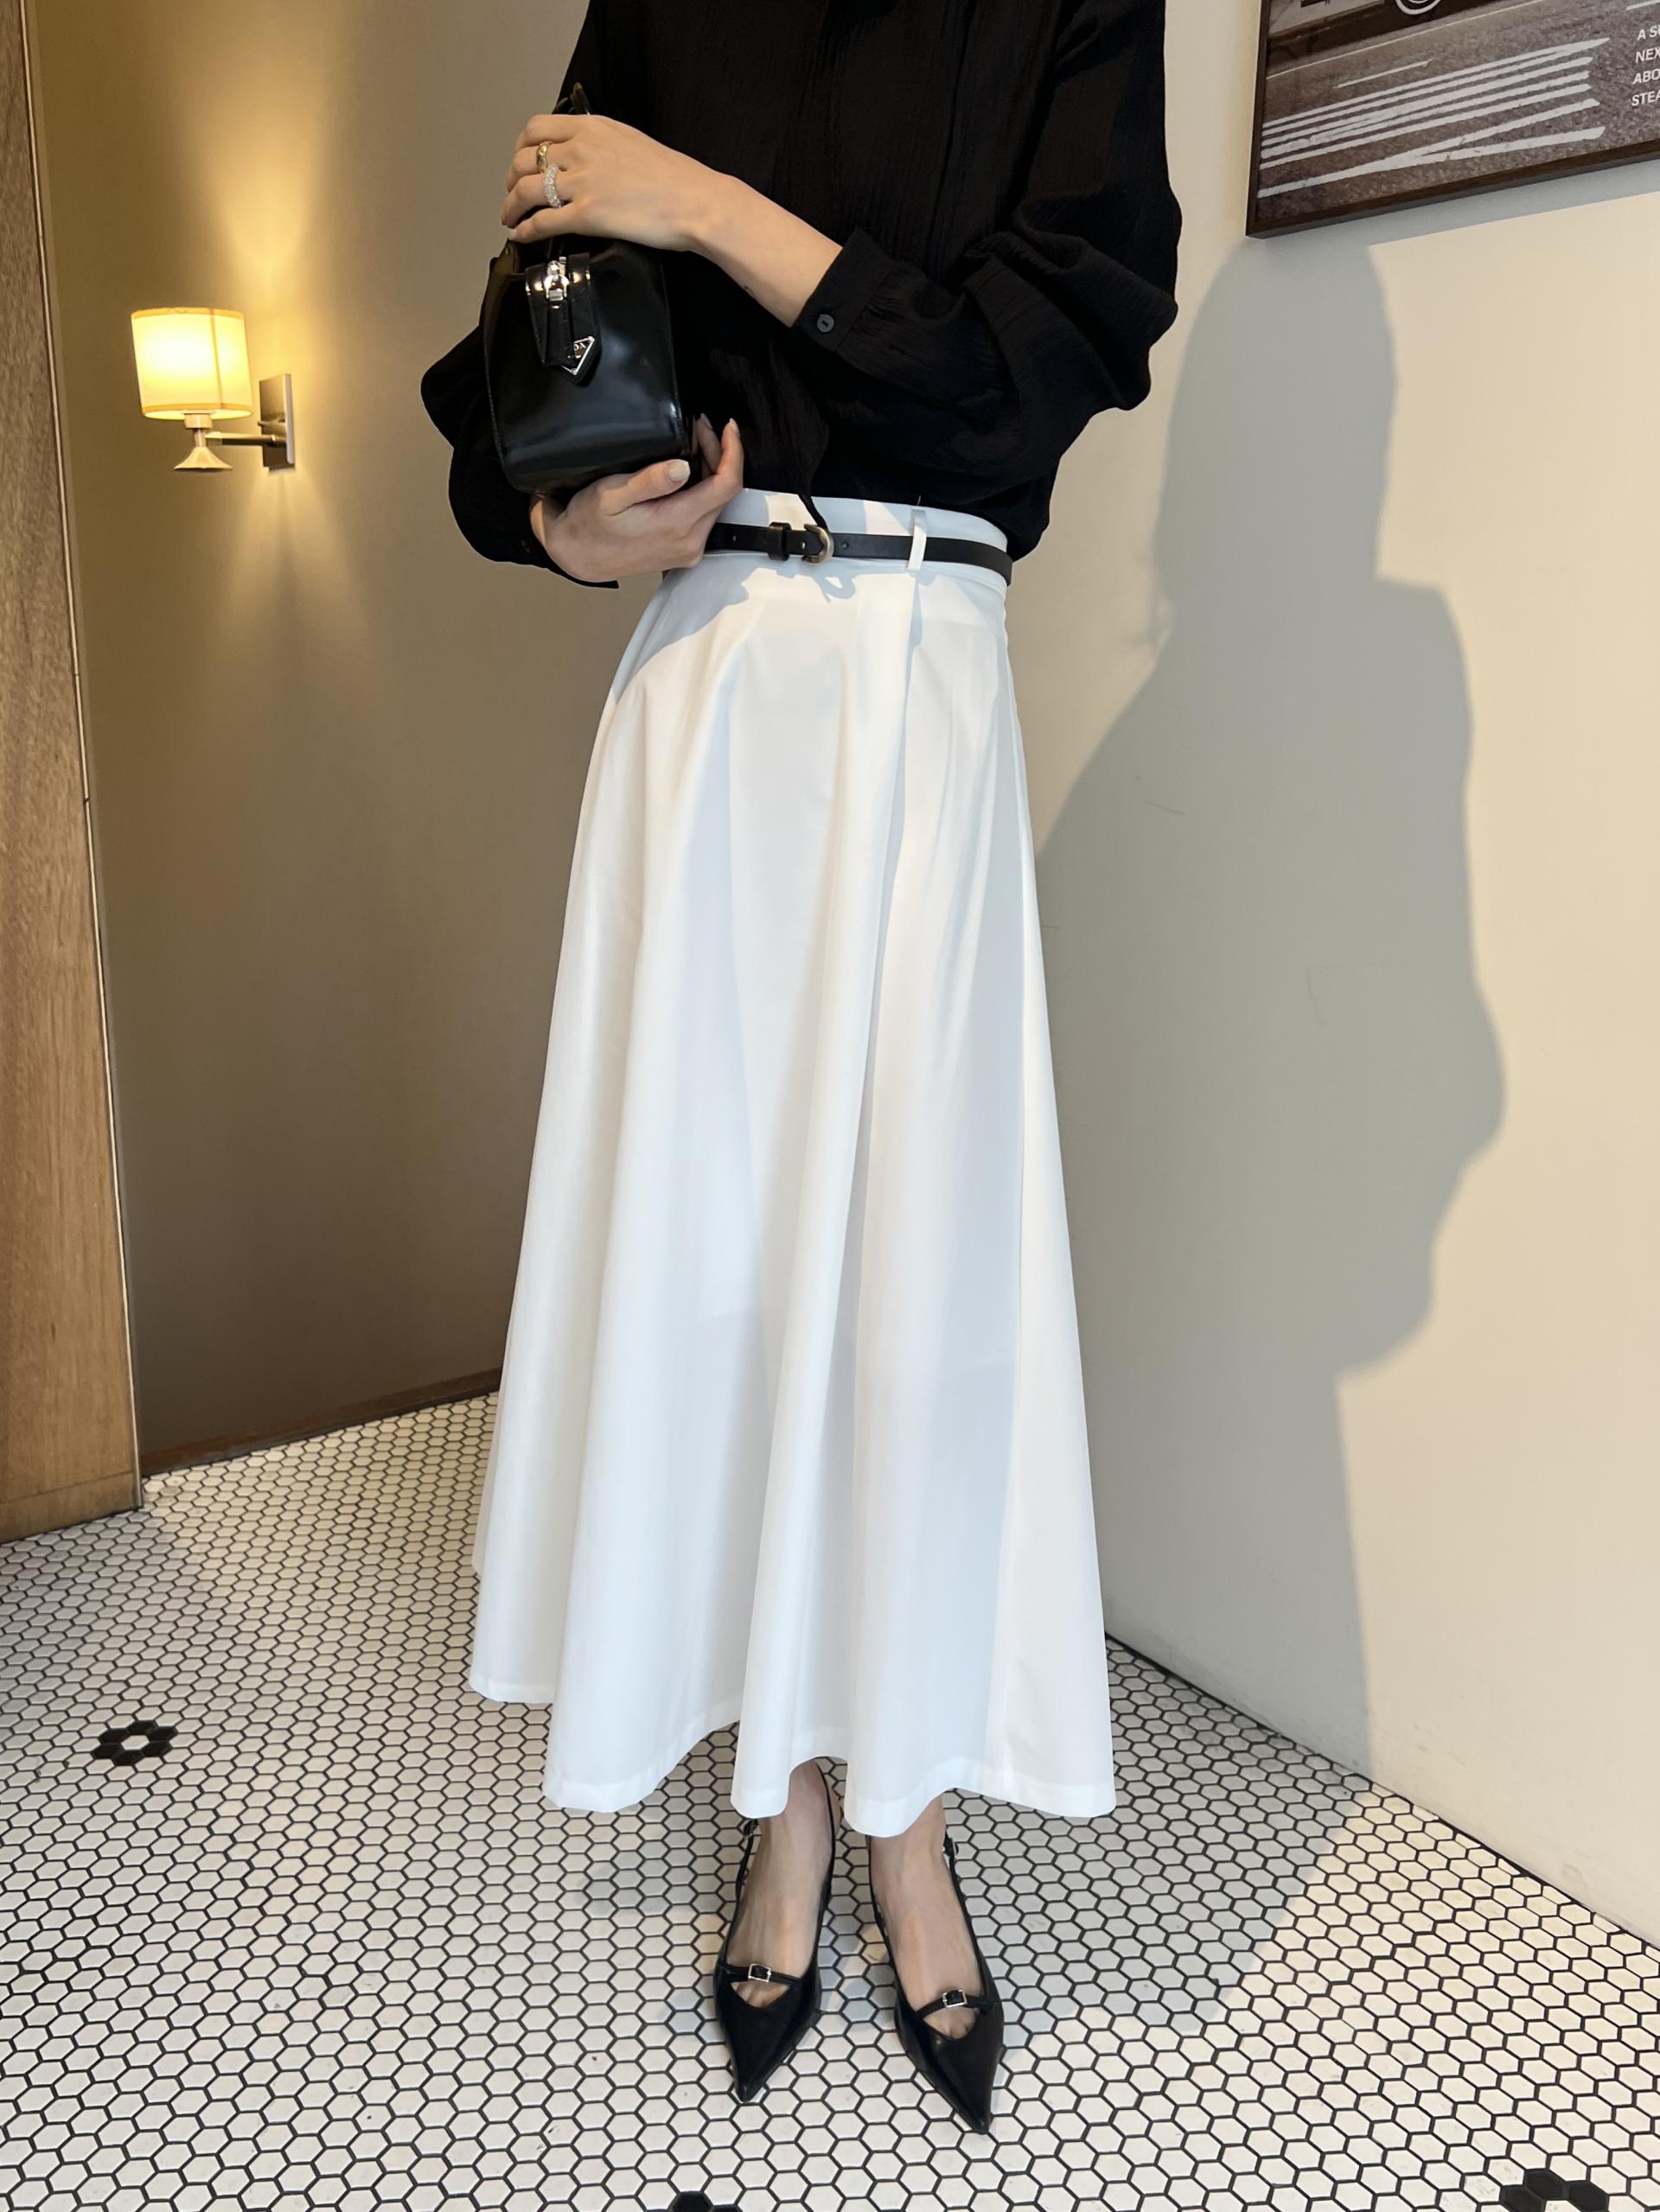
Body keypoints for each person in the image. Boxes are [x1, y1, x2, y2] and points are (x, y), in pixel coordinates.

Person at [420, 0, 1180, 2133]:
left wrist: (702, 204)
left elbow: (1051, 345)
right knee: (721, 1279)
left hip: (924, 667)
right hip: (713, 679)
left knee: (914, 1302)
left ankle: (903, 1809)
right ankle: (787, 1800)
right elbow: (535, 342)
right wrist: (554, 521)